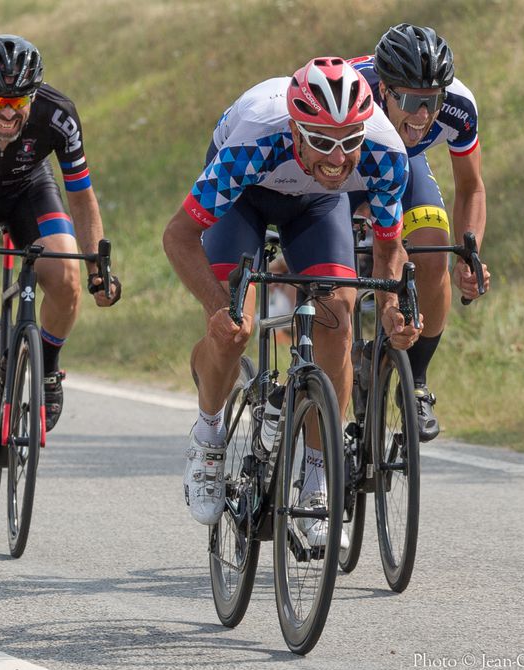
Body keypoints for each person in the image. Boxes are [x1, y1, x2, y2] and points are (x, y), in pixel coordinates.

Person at [163, 57, 421, 544]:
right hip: (245, 196)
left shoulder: (385, 151)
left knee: (339, 321)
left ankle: (319, 481)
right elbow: (178, 236)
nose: (337, 159)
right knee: (232, 329)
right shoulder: (256, 138)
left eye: (349, 143)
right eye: (322, 142)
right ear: (295, 129)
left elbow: (389, 248)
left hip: (319, 204)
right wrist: (221, 306)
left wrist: (391, 311)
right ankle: (208, 435)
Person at [0, 34, 121, 513]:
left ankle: (47, 371)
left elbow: (82, 198)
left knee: (67, 280)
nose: (8, 112)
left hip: (31, 190)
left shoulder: (59, 114)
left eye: (18, 101)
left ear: (33, 95)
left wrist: (98, 266)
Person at [349, 24, 490, 441]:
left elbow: (471, 187)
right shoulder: (353, 91)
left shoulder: (459, 106)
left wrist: (471, 254)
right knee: (330, 272)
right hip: (345, 166)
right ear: (385, 89)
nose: (423, 115)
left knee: (432, 253)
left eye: (432, 101)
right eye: (410, 100)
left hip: (404, 166)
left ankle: (416, 382)